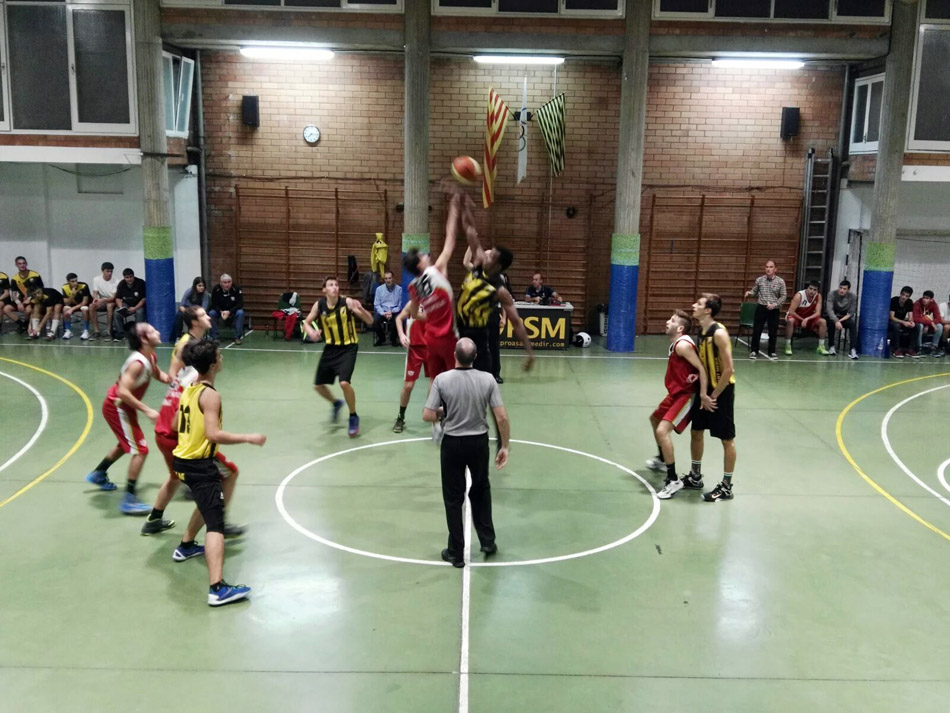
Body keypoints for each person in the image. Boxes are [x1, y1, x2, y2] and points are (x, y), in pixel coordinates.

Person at [171, 339, 265, 607]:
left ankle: (186, 546)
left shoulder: (190, 388)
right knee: (216, 524)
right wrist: (248, 437)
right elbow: (213, 434)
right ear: (213, 365)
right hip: (199, 465)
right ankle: (217, 589)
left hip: (182, 461)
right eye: (219, 355)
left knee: (206, 503)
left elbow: (176, 424)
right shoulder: (210, 395)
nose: (222, 357)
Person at [142, 306, 243, 537]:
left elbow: (174, 383)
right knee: (228, 474)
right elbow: (188, 420)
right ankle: (214, 525)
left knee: (175, 477)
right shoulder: (196, 378)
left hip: (163, 431)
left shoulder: (188, 370)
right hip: (174, 435)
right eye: (203, 315)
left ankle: (154, 519)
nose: (208, 317)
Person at [423, 338, 510, 568]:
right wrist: (505, 446)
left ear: (455, 355)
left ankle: (456, 553)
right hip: (478, 443)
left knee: (453, 498)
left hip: (452, 444)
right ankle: (488, 541)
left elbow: (427, 414)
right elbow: (501, 417)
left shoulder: (442, 380)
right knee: (481, 490)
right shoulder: (488, 379)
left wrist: (444, 412)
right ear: (475, 357)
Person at [83, 322, 170, 514]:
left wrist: (175, 381)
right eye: (152, 331)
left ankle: (98, 473)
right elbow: (122, 392)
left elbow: (158, 374)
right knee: (141, 450)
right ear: (144, 339)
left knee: (126, 444)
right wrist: (147, 410)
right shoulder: (136, 364)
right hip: (117, 407)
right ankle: (129, 500)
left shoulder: (150, 356)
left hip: (124, 407)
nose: (157, 331)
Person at [456, 194, 534, 375]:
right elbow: (470, 231)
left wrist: (530, 353)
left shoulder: (500, 290)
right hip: (457, 333)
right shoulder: (479, 264)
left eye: (491, 256)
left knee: (482, 384)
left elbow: (517, 322)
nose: (486, 255)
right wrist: (464, 206)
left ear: (498, 266)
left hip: (476, 342)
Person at [647, 310, 712, 500]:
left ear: (680, 328)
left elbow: (702, 367)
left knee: (662, 431)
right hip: (675, 394)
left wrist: (702, 392)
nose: (668, 322)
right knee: (655, 419)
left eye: (672, 320)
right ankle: (662, 458)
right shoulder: (678, 344)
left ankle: (672, 479)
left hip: (686, 396)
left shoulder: (683, 345)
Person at [403, 189, 462, 388]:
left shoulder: (414, 286)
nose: (425, 255)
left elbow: (413, 314)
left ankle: (434, 409)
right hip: (448, 337)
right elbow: (451, 238)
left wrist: (430, 316)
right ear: (419, 263)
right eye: (422, 255)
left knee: (434, 380)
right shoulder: (437, 270)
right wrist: (454, 207)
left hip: (431, 338)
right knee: (455, 379)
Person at [303, 276, 374, 438]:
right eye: (330, 285)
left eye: (336, 285)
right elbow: (306, 322)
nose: (334, 287)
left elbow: (370, 321)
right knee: (318, 386)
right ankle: (336, 403)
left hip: (349, 347)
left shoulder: (347, 302)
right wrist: (312, 332)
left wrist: (361, 309)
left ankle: (353, 416)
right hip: (330, 348)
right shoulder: (319, 304)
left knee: (344, 383)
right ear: (324, 290)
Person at [688, 293, 737, 503]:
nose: (694, 305)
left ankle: (726, 487)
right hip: (706, 390)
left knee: (727, 439)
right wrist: (702, 392)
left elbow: (729, 370)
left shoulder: (719, 333)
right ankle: (695, 476)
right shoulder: (702, 331)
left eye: (698, 304)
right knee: (696, 431)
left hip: (721, 392)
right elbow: (704, 365)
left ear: (707, 310)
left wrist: (712, 396)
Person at [393, 301, 428, 433]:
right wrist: (401, 335)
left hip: (432, 347)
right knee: (408, 386)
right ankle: (400, 417)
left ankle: (438, 416)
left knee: (437, 385)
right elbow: (398, 318)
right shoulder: (413, 303)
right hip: (414, 349)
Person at [744, 259, 786, 360]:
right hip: (761, 307)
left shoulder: (780, 281)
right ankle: (754, 351)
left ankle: (772, 351)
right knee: (757, 330)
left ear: (775, 269)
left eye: (771, 267)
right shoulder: (759, 280)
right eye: (767, 267)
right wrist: (749, 293)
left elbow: (783, 296)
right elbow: (754, 291)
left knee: (773, 331)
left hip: (774, 309)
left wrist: (775, 305)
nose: (768, 269)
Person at [784, 280, 829, 356]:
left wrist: (807, 319)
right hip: (797, 316)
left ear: (817, 291)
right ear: (807, 288)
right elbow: (791, 311)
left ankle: (821, 346)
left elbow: (818, 313)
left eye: (814, 290)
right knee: (790, 321)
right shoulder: (799, 295)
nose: (812, 291)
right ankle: (788, 345)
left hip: (808, 317)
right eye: (810, 288)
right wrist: (802, 320)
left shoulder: (818, 296)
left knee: (823, 321)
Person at [825, 279, 858, 359]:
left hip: (844, 317)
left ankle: (852, 349)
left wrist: (839, 321)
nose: (841, 290)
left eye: (844, 289)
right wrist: (836, 320)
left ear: (848, 290)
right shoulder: (832, 294)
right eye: (840, 288)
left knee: (852, 324)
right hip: (834, 316)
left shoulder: (853, 297)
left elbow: (851, 313)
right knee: (831, 322)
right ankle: (831, 346)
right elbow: (829, 310)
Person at [209, 273, 245, 345]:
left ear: (232, 282)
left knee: (240, 313)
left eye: (229, 282)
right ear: (221, 283)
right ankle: (215, 337)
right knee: (211, 313)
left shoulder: (236, 289)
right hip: (220, 311)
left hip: (233, 310)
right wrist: (221, 312)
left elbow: (240, 304)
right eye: (225, 282)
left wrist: (229, 312)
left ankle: (237, 337)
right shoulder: (216, 289)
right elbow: (214, 304)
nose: (227, 284)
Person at [172, 276, 210, 341]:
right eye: (199, 286)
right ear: (195, 286)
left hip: (198, 312)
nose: (201, 287)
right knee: (179, 315)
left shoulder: (205, 294)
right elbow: (181, 305)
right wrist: (187, 312)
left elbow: (204, 308)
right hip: (188, 311)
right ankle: (178, 337)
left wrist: (197, 313)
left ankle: (202, 336)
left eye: (203, 286)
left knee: (203, 316)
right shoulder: (189, 291)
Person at [114, 268, 147, 341]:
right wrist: (121, 307)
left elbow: (144, 299)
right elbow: (118, 298)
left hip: (138, 304)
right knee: (116, 312)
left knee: (140, 312)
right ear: (124, 278)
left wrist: (135, 308)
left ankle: (138, 333)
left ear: (133, 276)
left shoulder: (140, 283)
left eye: (131, 277)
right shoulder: (121, 284)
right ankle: (120, 333)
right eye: (127, 277)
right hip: (127, 304)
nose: (129, 279)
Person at [373, 271, 403, 346]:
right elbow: (377, 304)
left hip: (394, 311)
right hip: (383, 311)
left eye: (389, 278)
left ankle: (393, 339)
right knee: (375, 321)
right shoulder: (379, 289)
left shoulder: (399, 289)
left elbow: (400, 305)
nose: (388, 280)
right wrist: (383, 313)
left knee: (398, 319)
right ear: (384, 280)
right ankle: (381, 338)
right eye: (386, 278)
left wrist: (391, 312)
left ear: (393, 278)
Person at [91, 262, 119, 340]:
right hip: (102, 300)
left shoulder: (116, 281)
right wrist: (95, 299)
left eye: (111, 271)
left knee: (109, 305)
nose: (110, 273)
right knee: (91, 306)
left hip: (112, 301)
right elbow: (95, 292)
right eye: (108, 271)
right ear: (102, 271)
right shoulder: (96, 279)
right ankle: (96, 331)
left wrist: (103, 300)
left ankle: (108, 331)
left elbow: (113, 297)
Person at [11, 256, 40, 331]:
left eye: (23, 263)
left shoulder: (35, 275)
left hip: (34, 298)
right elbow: (13, 294)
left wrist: (30, 298)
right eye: (20, 263)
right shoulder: (14, 278)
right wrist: (18, 303)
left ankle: (27, 324)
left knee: (28, 310)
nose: (22, 265)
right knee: (6, 309)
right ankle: (22, 325)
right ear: (16, 265)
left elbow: (40, 290)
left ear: (26, 264)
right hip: (22, 298)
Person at [912, 290, 944, 358]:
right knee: (920, 326)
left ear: (931, 300)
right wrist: (931, 323)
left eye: (927, 298)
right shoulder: (917, 304)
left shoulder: (934, 304)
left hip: (927, 324)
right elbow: (916, 319)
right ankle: (919, 348)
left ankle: (934, 347)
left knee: (939, 326)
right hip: (919, 324)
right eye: (923, 297)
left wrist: (928, 324)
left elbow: (938, 319)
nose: (924, 300)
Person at [61, 273, 92, 340]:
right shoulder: (64, 287)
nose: (75, 283)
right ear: (68, 282)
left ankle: (86, 331)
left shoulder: (84, 286)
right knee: (65, 308)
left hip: (83, 305)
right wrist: (72, 295)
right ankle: (68, 331)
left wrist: (72, 309)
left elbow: (84, 302)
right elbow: (66, 302)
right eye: (72, 281)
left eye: (76, 281)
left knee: (84, 309)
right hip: (73, 304)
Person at [888, 286, 915, 358]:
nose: (904, 297)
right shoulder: (894, 300)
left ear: (909, 297)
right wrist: (903, 322)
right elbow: (892, 317)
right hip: (891, 321)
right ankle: (896, 348)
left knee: (914, 326)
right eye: (903, 294)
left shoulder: (909, 302)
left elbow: (910, 316)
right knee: (897, 326)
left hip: (901, 321)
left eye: (906, 296)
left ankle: (910, 348)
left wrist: (911, 322)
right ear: (900, 294)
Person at [939, 292, 950, 356]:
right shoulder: (942, 305)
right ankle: (943, 345)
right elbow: (942, 320)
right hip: (943, 325)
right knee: (947, 327)